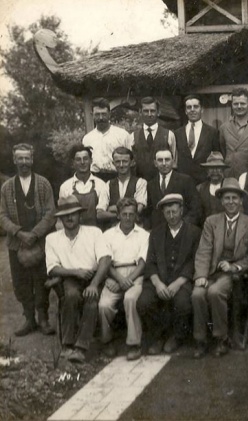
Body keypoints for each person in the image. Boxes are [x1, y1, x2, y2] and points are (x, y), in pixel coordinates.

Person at [192, 178, 248, 358]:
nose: (231, 202)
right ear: (221, 201)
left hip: (232, 274)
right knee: (197, 294)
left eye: (234, 198)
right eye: (227, 198)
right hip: (212, 271)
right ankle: (200, 339)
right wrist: (201, 275)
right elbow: (204, 250)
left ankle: (221, 338)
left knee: (215, 292)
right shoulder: (211, 222)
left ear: (241, 200)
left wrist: (234, 266)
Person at [45, 196, 111, 363]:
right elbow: (52, 268)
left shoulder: (94, 232)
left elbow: (105, 259)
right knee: (71, 295)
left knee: (91, 300)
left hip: (93, 276)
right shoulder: (52, 238)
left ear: (80, 215)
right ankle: (67, 344)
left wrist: (94, 284)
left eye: (73, 213)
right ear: (60, 218)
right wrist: (76, 272)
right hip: (70, 277)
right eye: (65, 215)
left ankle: (81, 348)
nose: (69, 218)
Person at [0, 143, 56, 336]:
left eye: (27, 158)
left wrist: (35, 234)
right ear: (14, 160)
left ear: (32, 160)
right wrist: (19, 233)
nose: (24, 162)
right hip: (17, 243)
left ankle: (43, 318)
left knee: (42, 280)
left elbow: (50, 212)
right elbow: (2, 215)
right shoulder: (6, 187)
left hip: (40, 242)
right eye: (20, 158)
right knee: (20, 283)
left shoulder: (43, 183)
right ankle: (29, 319)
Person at [137, 194, 202, 354]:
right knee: (144, 302)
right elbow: (150, 261)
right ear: (163, 214)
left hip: (182, 280)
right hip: (159, 279)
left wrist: (178, 283)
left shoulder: (194, 232)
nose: (172, 216)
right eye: (168, 213)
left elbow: (194, 261)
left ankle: (177, 336)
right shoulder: (156, 233)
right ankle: (158, 336)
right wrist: (157, 283)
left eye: (174, 211)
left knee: (182, 303)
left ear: (181, 210)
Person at [98, 198, 149, 361]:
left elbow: (143, 263)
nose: (128, 218)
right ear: (118, 215)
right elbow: (106, 261)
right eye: (124, 214)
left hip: (136, 274)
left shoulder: (144, 235)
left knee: (130, 298)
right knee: (104, 305)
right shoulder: (107, 235)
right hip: (114, 274)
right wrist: (119, 279)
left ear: (136, 216)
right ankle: (107, 341)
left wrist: (128, 281)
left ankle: (134, 344)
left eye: (131, 214)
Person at [146, 148, 202, 229]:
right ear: (155, 163)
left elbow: (196, 208)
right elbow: (149, 212)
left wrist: (182, 226)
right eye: (160, 160)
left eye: (167, 160)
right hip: (159, 231)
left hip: (182, 230)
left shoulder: (185, 180)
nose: (164, 163)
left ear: (173, 161)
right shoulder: (151, 184)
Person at [128, 96, 177, 181]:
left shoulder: (169, 135)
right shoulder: (133, 136)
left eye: (152, 111)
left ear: (158, 112)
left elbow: (174, 163)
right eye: (146, 111)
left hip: (162, 182)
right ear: (140, 112)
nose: (149, 114)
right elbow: (130, 163)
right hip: (140, 183)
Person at [97, 147, 147, 229]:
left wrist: (112, 209)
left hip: (134, 229)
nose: (121, 165)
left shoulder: (140, 183)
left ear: (132, 162)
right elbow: (99, 214)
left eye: (125, 161)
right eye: (117, 162)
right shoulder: (108, 184)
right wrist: (127, 211)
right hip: (113, 229)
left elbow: (138, 209)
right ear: (113, 163)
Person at [175, 94, 221, 184]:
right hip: (183, 182)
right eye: (189, 107)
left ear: (202, 109)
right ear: (185, 111)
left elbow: (217, 158)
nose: (192, 110)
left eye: (196, 107)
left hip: (205, 182)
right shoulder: (177, 133)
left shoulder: (212, 132)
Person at [82, 97, 131, 181]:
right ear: (92, 114)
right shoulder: (87, 139)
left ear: (109, 114)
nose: (101, 118)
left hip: (117, 178)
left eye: (104, 114)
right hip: (95, 178)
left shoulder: (123, 135)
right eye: (97, 114)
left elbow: (131, 160)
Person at [219, 88, 248, 178]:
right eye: (236, 104)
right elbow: (222, 151)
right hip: (230, 175)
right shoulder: (224, 128)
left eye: (242, 103)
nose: (239, 106)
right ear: (232, 105)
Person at [59, 144, 108, 227]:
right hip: (74, 231)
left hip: (96, 231)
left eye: (85, 159)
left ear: (91, 161)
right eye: (78, 159)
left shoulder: (101, 185)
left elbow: (101, 213)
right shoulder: (65, 187)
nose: (82, 162)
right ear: (73, 163)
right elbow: (64, 215)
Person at [196, 151, 230, 223]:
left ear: (223, 170)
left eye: (218, 168)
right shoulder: (200, 189)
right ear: (207, 170)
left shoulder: (229, 187)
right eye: (211, 168)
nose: (215, 171)